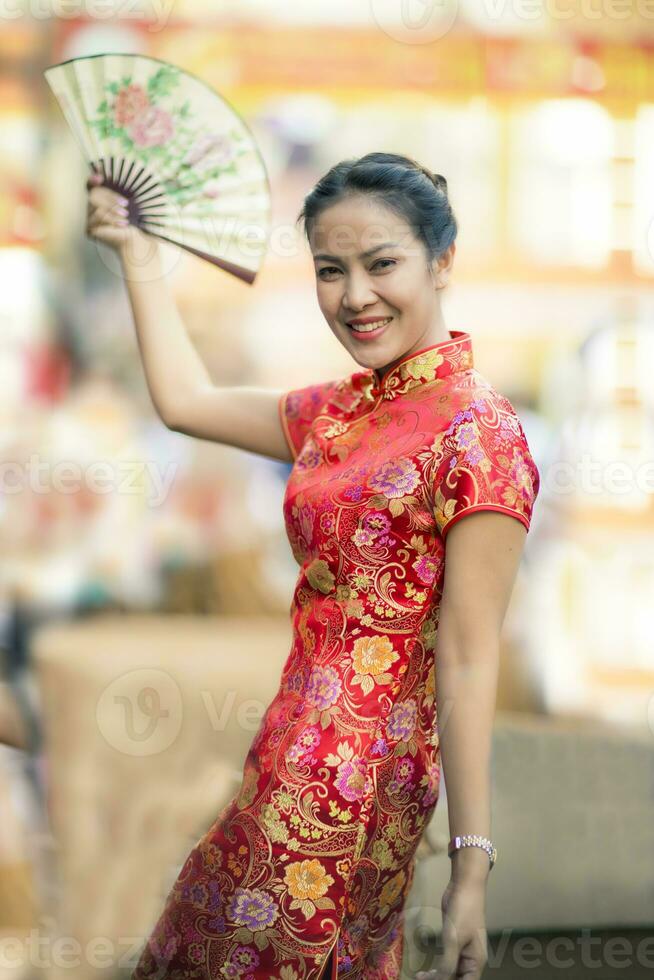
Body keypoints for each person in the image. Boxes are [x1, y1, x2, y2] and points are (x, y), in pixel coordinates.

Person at [85, 151, 540, 980]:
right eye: (331, 271)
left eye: (382, 264)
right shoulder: (338, 412)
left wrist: (472, 863)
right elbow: (185, 402)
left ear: (442, 262)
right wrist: (138, 253)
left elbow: (469, 656)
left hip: (360, 787)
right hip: (285, 751)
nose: (355, 296)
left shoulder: (480, 433)